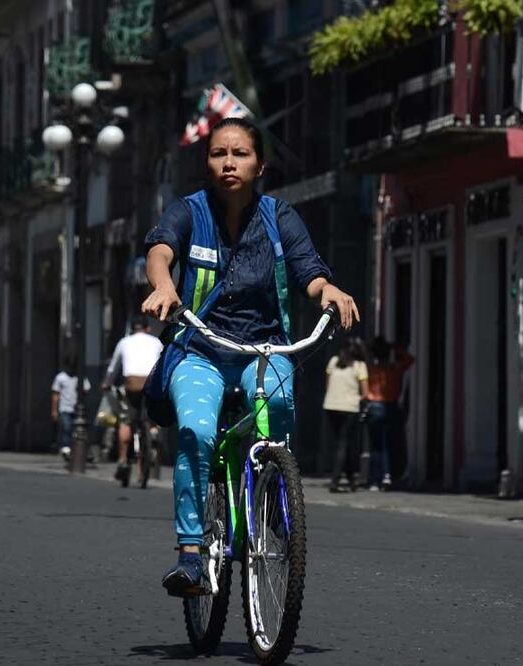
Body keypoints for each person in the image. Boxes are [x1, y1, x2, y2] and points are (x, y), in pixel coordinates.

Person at [141, 116, 359, 596]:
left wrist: (328, 290)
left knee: (276, 411)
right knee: (197, 431)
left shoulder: (281, 218)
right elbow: (161, 248)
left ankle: (268, 508)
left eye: (240, 154)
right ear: (207, 162)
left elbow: (309, 271)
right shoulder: (190, 211)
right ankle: (192, 554)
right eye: (219, 154)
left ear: (260, 164)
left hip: (263, 349)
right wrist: (163, 283)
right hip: (199, 348)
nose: (229, 163)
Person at [102, 315, 164, 484]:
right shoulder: (156, 342)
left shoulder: (124, 342)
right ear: (147, 328)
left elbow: (113, 368)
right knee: (151, 412)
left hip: (132, 384)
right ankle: (153, 432)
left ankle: (122, 459)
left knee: (126, 420)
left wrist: (107, 383)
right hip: (151, 382)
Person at [365, 337, 415, 490]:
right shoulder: (394, 369)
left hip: (374, 406)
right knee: (389, 443)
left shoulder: (371, 369)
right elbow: (410, 359)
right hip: (390, 406)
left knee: (375, 445)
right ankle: (387, 475)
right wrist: (395, 348)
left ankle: (374, 479)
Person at [323, 337, 369, 493]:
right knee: (345, 443)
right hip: (350, 408)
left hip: (331, 405)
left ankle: (350, 478)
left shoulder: (333, 362)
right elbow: (365, 393)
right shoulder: (359, 366)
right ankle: (335, 480)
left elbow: (328, 384)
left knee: (340, 442)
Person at [51, 355, 90, 459]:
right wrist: (54, 410)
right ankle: (66, 447)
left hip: (77, 408)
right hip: (65, 407)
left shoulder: (80, 377)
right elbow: (55, 394)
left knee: (78, 430)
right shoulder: (60, 377)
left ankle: (77, 449)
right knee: (67, 427)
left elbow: (86, 389)